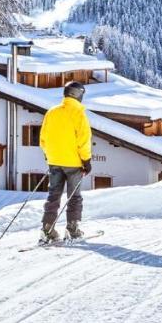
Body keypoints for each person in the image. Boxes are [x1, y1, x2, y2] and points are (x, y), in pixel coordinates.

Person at [38, 80, 94, 241]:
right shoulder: (79, 114)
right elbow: (83, 140)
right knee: (74, 196)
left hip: (54, 161)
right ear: (78, 94)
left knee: (53, 195)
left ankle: (47, 229)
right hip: (73, 164)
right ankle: (72, 229)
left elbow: (43, 138)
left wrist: (48, 154)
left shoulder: (52, 112)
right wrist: (86, 161)